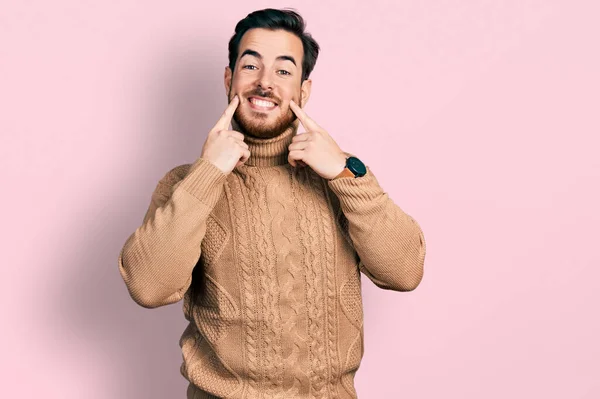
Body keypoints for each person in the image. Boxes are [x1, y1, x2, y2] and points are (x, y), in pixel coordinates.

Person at [118, 8, 426, 399]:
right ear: (229, 79)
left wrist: (345, 174)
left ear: (304, 90)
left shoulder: (343, 175)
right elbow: (148, 287)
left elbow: (405, 272)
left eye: (283, 71)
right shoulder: (187, 184)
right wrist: (208, 174)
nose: (265, 83)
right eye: (250, 66)